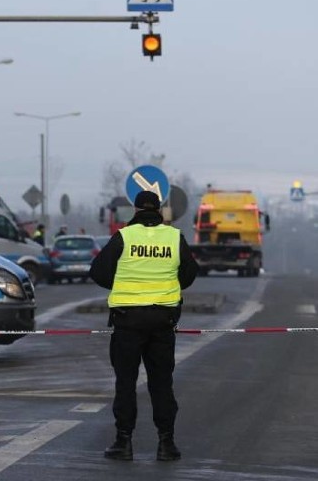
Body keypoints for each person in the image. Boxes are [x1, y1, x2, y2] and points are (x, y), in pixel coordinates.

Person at [89, 190, 198, 462]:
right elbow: (189, 274)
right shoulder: (174, 238)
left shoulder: (124, 237)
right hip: (163, 321)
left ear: (135, 210)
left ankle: (123, 443)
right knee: (162, 383)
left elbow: (98, 271)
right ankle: (167, 444)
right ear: (159, 210)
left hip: (128, 321)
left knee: (126, 383)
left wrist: (123, 283)